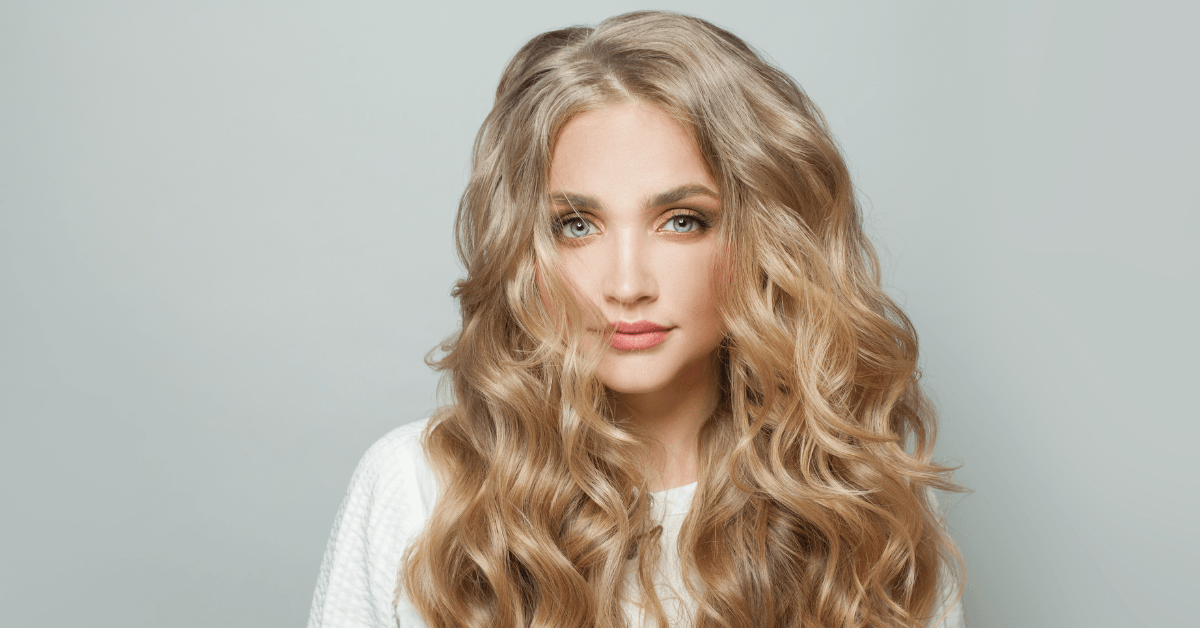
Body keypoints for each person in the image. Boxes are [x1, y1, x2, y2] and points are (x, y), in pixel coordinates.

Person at [307, 10, 966, 628]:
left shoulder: (864, 502)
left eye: (683, 221)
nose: (625, 285)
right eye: (576, 225)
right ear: (526, 251)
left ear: (765, 238)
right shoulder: (420, 492)